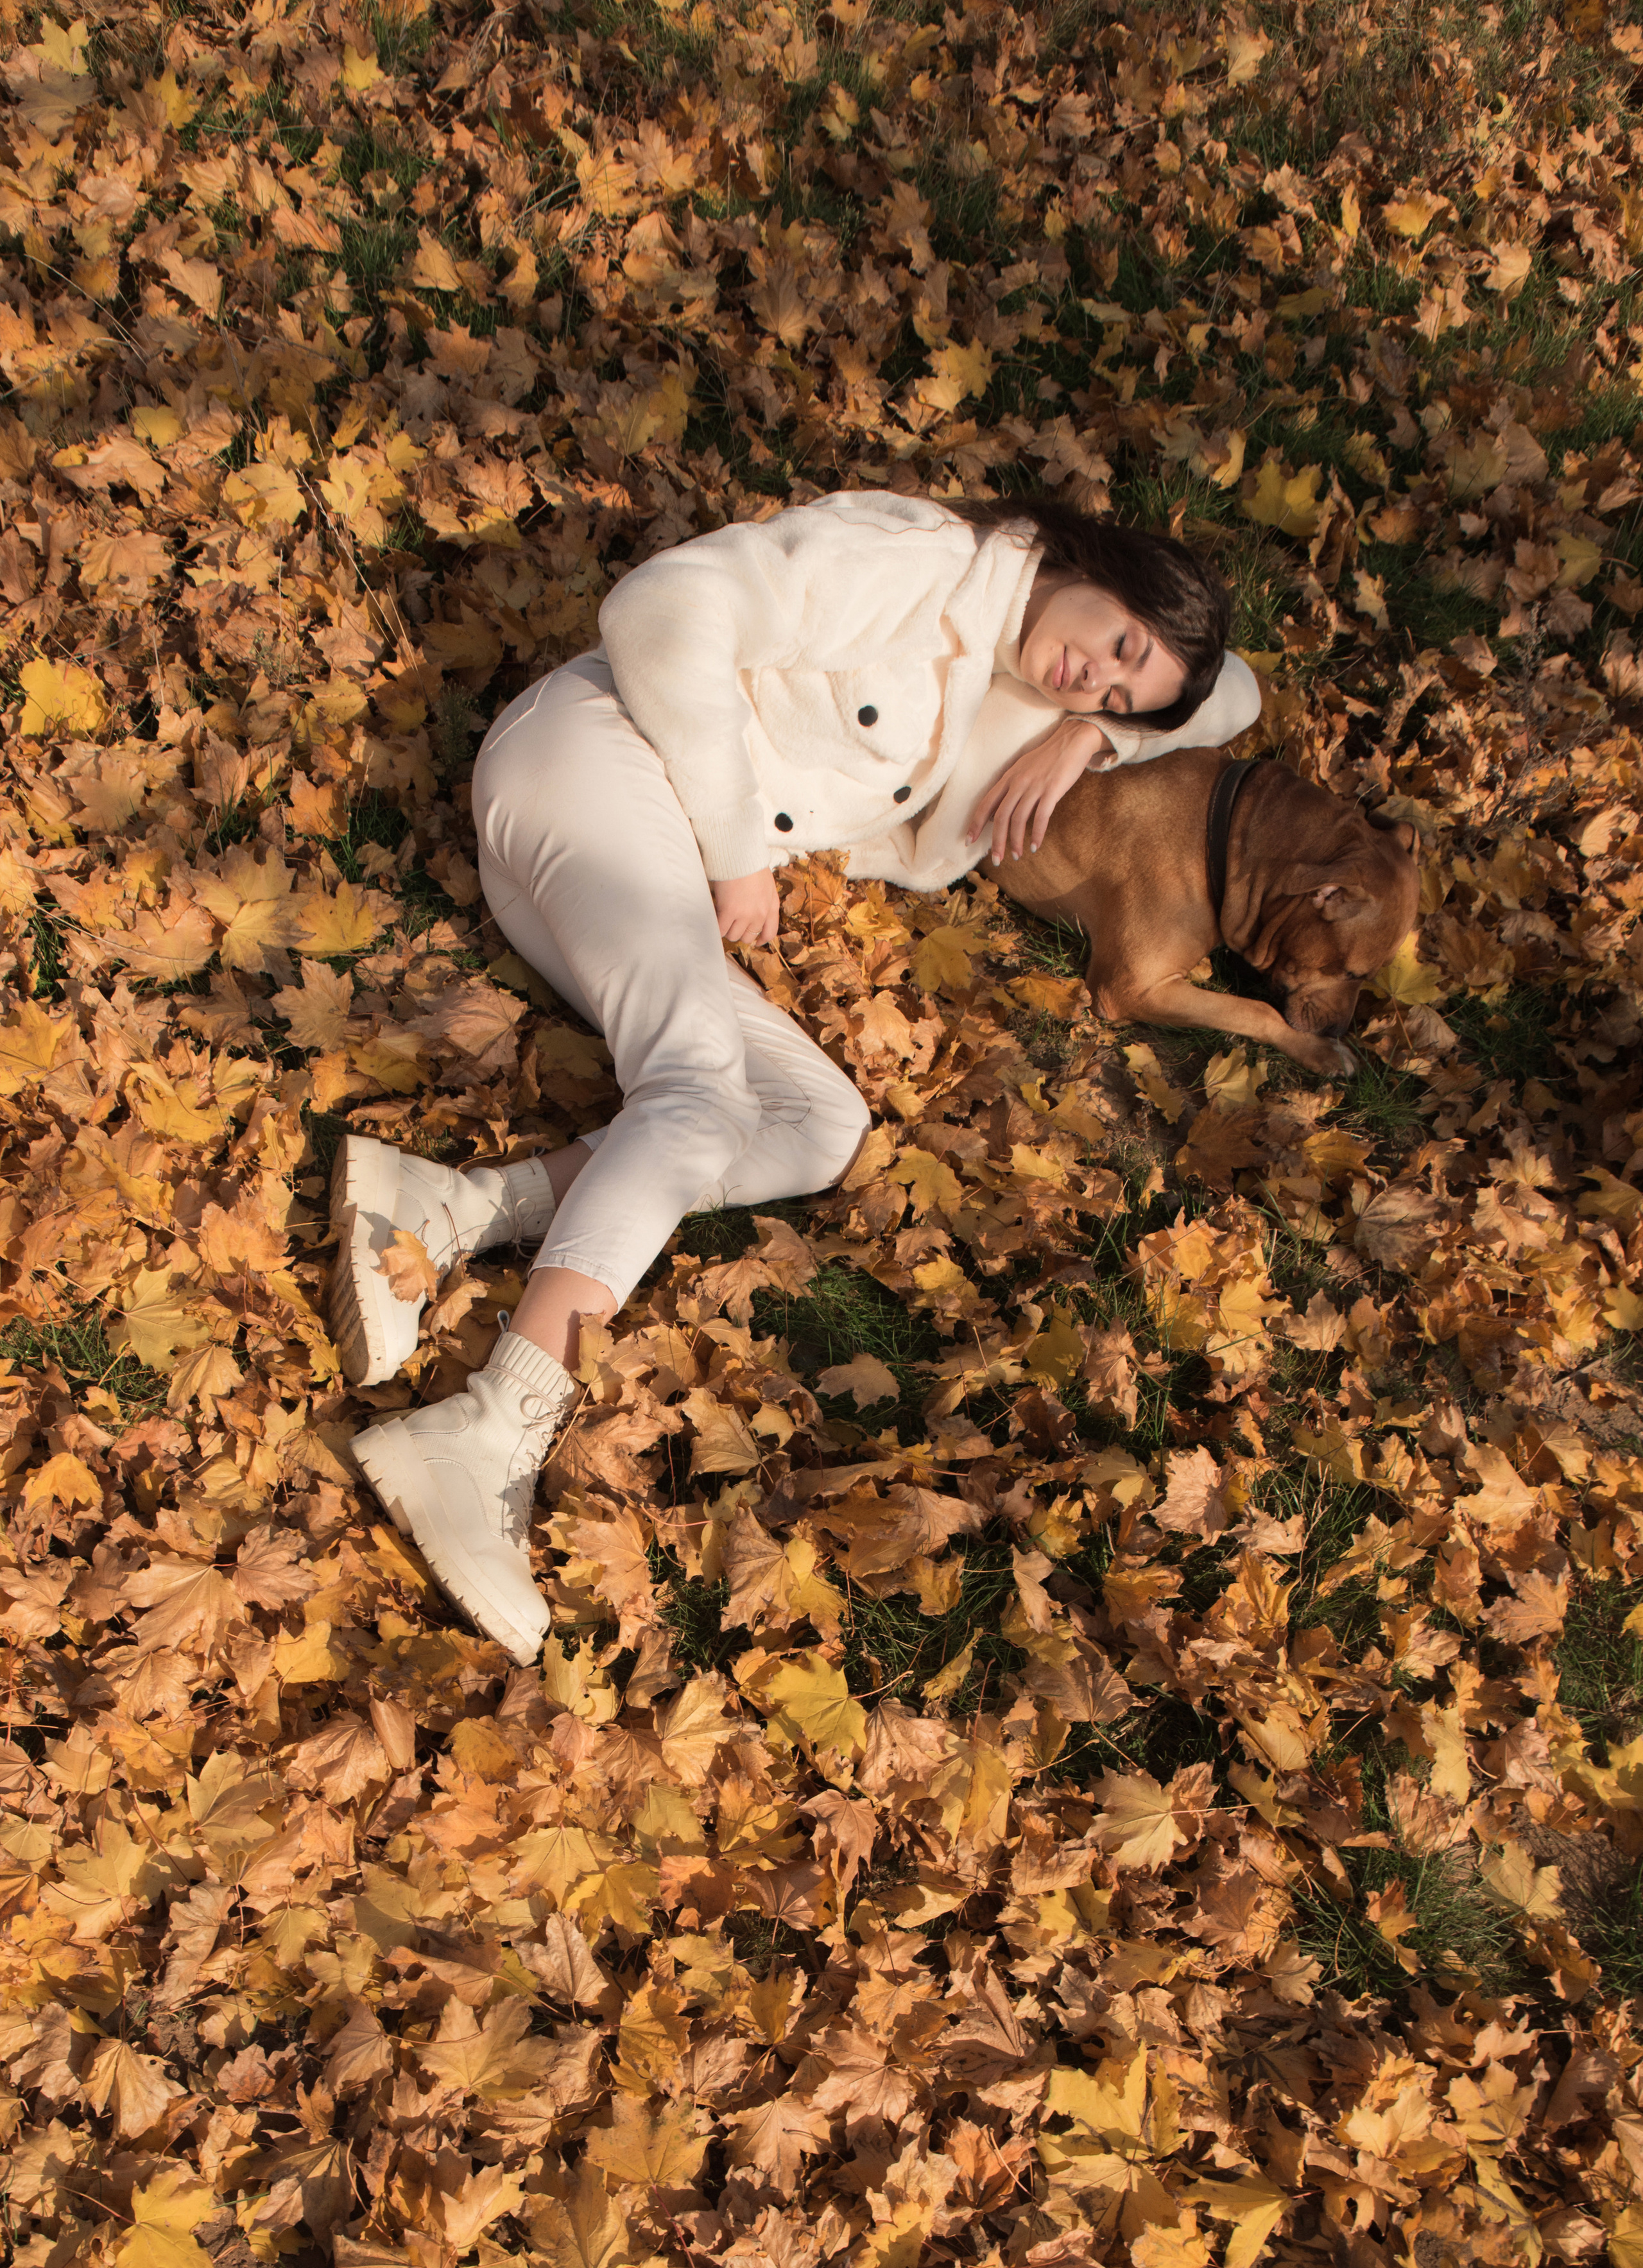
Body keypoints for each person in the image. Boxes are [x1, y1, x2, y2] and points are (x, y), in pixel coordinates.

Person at [332, 490, 1259, 1662]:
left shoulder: (1040, 687)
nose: (1093, 678)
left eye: (1120, 693)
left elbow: (1235, 692)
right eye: (1117, 647)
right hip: (593, 766)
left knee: (818, 1124)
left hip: (618, 861)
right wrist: (729, 848)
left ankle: (454, 1205)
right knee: (699, 1093)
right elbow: (664, 607)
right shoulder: (920, 561)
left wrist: (1094, 735)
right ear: (1105, 558)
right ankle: (488, 1432)